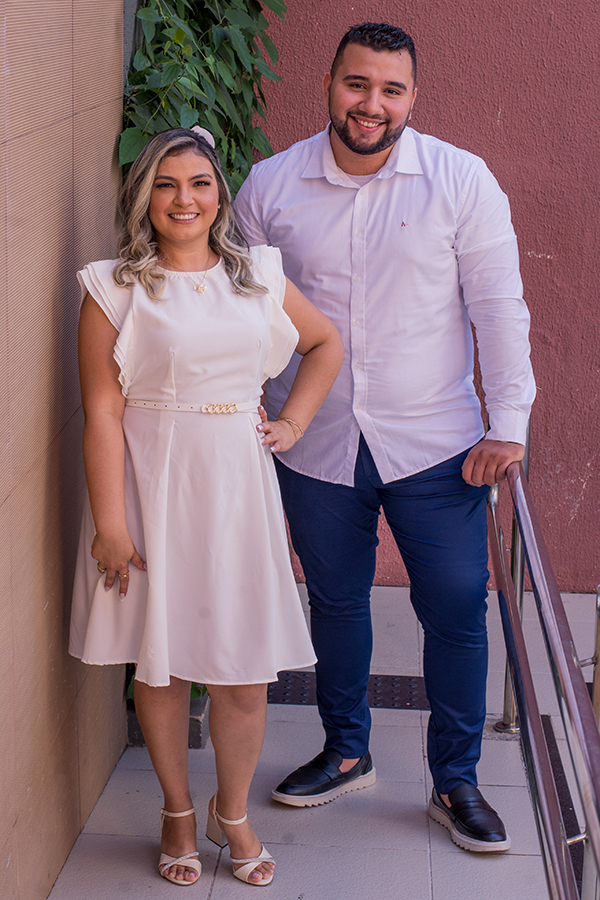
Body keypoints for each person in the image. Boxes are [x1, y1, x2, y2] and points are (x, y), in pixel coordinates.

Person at [235, 22, 536, 852]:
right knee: (335, 600)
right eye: (357, 84)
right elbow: (244, 316)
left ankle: (456, 779)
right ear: (329, 84)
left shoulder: (460, 180)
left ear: (412, 97)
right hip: (313, 437)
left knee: (456, 604)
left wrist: (509, 423)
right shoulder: (270, 186)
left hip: (436, 443)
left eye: (391, 89)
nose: (372, 104)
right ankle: (346, 751)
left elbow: (498, 306)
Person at [69, 126, 343, 887]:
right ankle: (177, 811)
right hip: (152, 488)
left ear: (220, 193)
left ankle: (234, 812)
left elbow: (325, 344)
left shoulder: (258, 275)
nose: (183, 199)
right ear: (143, 197)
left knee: (243, 673)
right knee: (161, 666)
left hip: (237, 487)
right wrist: (111, 524)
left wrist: (291, 423)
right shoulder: (114, 287)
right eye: (165, 184)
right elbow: (101, 413)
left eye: (198, 183)